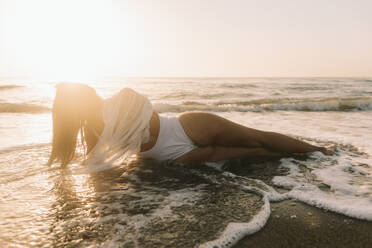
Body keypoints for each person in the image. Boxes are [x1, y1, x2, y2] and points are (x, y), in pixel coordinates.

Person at [48, 83, 332, 167]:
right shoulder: (123, 100)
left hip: (181, 156)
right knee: (256, 139)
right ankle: (320, 151)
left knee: (256, 149)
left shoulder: (94, 133)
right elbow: (145, 114)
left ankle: (307, 154)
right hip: (189, 128)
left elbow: (101, 172)